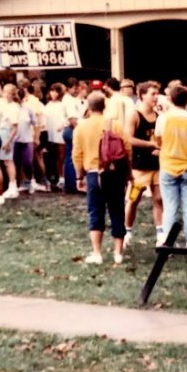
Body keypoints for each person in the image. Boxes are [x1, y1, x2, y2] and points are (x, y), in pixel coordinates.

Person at [72, 92, 131, 265]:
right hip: (114, 173)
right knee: (117, 210)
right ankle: (118, 253)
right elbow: (127, 149)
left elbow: (76, 155)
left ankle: (97, 253)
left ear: (89, 108)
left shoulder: (81, 127)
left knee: (95, 211)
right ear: (104, 106)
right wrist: (128, 173)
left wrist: (78, 176)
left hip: (93, 173)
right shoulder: (115, 125)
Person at [156, 85, 187, 250]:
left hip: (168, 165)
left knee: (170, 209)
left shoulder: (163, 118)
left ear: (170, 99)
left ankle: (168, 246)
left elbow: (158, 141)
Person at [124, 81, 164, 248]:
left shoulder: (159, 116)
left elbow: (161, 138)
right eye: (152, 94)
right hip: (139, 167)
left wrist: (160, 148)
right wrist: (150, 145)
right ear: (142, 95)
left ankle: (161, 234)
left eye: (157, 94)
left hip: (157, 165)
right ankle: (127, 231)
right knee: (133, 199)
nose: (156, 97)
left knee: (159, 199)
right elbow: (128, 138)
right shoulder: (134, 114)